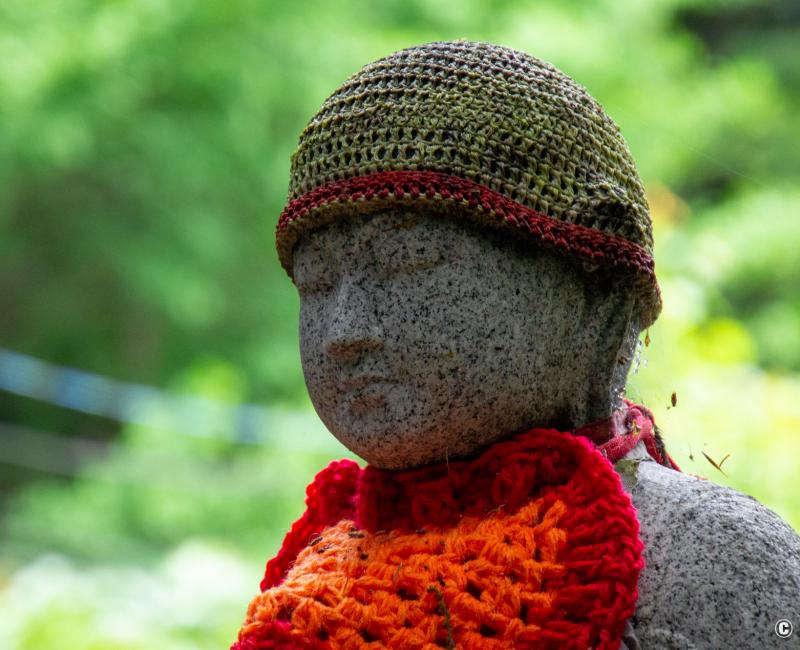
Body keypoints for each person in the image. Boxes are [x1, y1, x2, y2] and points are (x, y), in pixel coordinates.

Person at [233, 40, 800, 649]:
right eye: (316, 284)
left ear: (600, 299)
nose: (346, 331)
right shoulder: (318, 576)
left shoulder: (721, 559)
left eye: (412, 263)